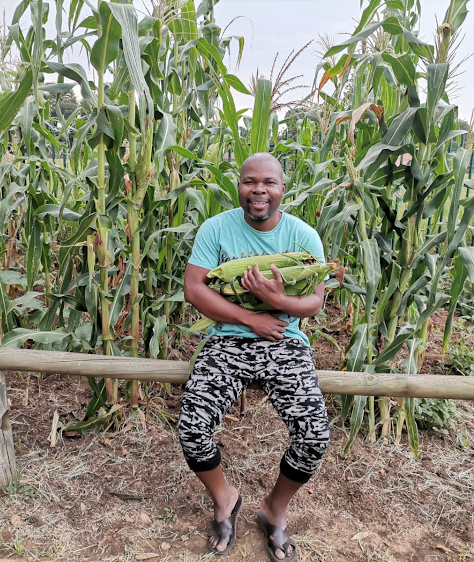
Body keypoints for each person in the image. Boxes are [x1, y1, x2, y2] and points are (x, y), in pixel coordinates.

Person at [178, 152, 330, 561]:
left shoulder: (303, 236)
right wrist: (251, 317)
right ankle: (225, 498)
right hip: (227, 339)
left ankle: (274, 511)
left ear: (282, 188)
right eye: (249, 182)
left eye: (268, 182)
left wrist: (274, 299)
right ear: (239, 186)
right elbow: (195, 289)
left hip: (285, 340)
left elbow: (314, 302)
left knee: (314, 435)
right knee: (192, 429)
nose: (258, 190)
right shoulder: (216, 230)